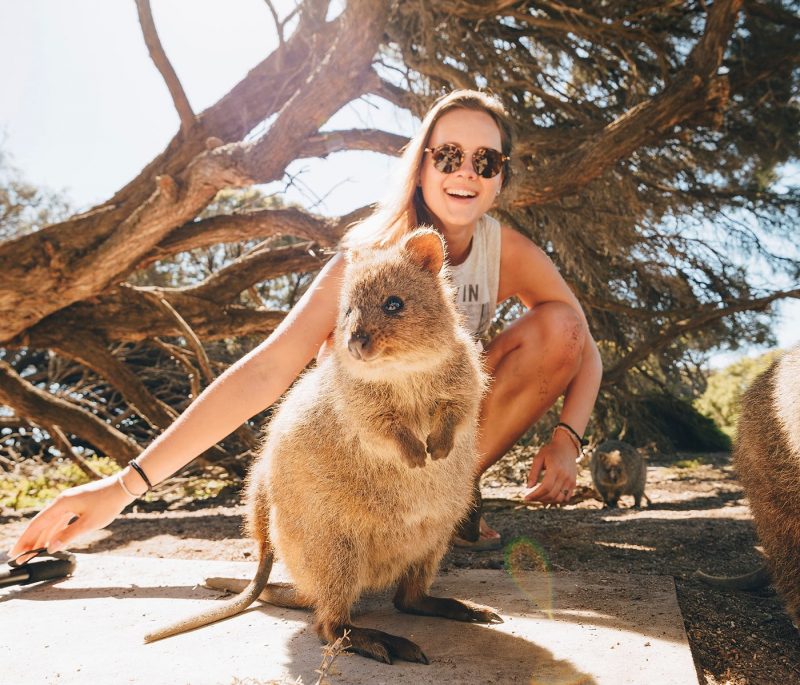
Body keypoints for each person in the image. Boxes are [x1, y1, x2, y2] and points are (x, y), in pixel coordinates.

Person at [9, 90, 602, 563]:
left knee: (559, 327)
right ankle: (378, 523)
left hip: (439, 439)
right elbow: (268, 369)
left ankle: (449, 502)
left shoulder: (509, 252)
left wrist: (567, 440)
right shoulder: (371, 257)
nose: (465, 172)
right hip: (363, 444)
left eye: (485, 161)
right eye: (447, 155)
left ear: (500, 177)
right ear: (421, 164)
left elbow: (583, 348)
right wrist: (121, 487)